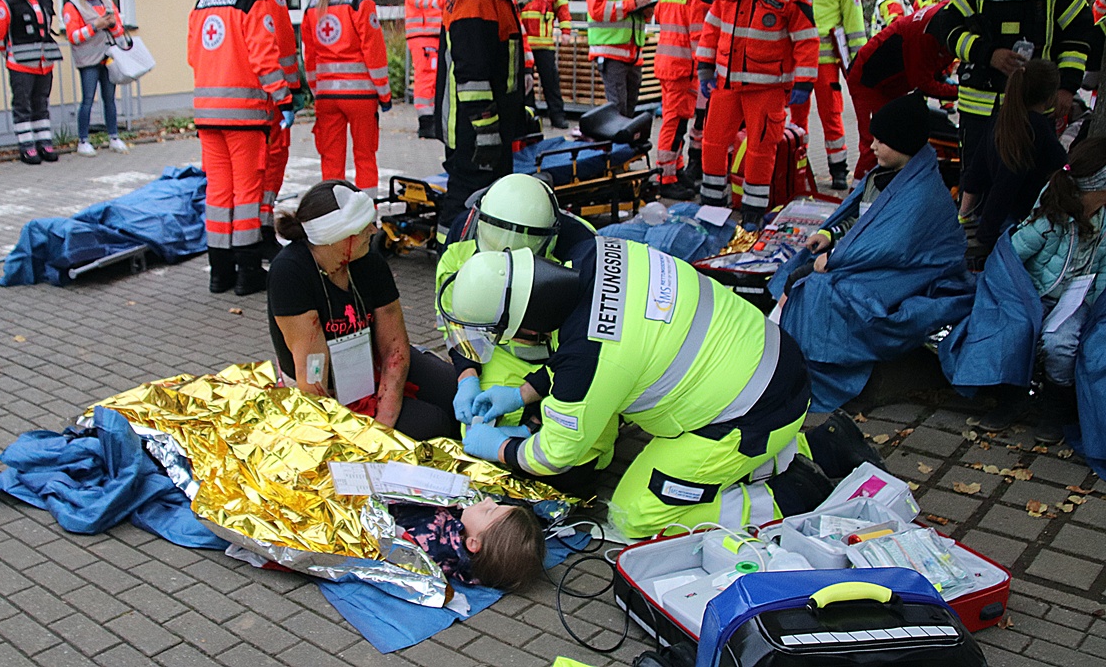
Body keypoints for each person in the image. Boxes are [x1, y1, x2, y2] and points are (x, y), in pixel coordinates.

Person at [439, 238, 880, 538]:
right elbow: (580, 349)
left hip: (746, 414)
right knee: (719, 451)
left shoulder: (589, 358)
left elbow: (555, 455)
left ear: (524, 321)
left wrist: (498, 446)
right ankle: (821, 446)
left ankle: (786, 497)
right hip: (770, 361)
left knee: (632, 514)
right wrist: (522, 394)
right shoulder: (591, 254)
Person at [770, 93, 974, 411]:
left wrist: (834, 260)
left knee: (823, 290)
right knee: (806, 275)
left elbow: (889, 247)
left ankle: (813, 375)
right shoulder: (880, 177)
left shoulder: (921, 194)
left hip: (911, 276)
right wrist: (829, 233)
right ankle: (786, 361)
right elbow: (860, 223)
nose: (872, 147)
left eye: (881, 141)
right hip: (876, 265)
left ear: (904, 144)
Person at [436, 174, 600, 495]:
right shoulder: (463, 232)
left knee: (577, 463)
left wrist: (531, 416)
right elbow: (455, 318)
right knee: (479, 432)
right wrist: (466, 377)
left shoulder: (582, 255)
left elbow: (585, 355)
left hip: (561, 358)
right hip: (501, 352)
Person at [928, 0, 1094, 187]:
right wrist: (988, 54)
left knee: (1026, 185)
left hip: (1033, 106)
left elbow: (1077, 36)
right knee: (974, 185)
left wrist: (1067, 88)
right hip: (979, 107)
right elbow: (948, 29)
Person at [944, 138, 1106, 445]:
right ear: (1094, 187)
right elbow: (1013, 255)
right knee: (1015, 328)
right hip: (1033, 292)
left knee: (1061, 343)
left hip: (1076, 301)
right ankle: (1011, 396)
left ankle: (1055, 408)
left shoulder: (1104, 219)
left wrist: (1095, 310)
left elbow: (1105, 269)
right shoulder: (1053, 211)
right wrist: (1014, 298)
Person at [268, 181, 458, 440]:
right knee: (431, 424)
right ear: (339, 236)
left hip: (370, 361)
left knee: (453, 390)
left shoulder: (368, 261)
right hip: (330, 386)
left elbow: (395, 345)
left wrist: (385, 419)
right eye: (364, 226)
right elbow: (313, 374)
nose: (374, 229)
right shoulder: (290, 272)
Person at [695, 0, 818, 232]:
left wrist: (804, 83)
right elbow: (713, 26)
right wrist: (705, 67)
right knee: (713, 142)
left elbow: (806, 40)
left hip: (767, 87)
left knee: (762, 149)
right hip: (727, 82)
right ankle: (712, 205)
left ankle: (752, 211)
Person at [188, 0, 291, 296]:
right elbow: (265, 60)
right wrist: (285, 99)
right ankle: (248, 273)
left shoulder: (201, 4)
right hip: (246, 118)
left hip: (207, 116)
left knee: (218, 194)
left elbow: (192, 57)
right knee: (247, 193)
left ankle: (219, 274)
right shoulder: (251, 3)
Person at [435, 0, 527, 230]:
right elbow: (472, 76)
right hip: (474, 126)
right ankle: (451, 264)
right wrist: (485, 130)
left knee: (484, 199)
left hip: (485, 123)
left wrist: (518, 112)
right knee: (464, 199)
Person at [302, 0, 391, 196]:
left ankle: (333, 215)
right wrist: (384, 94)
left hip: (327, 98)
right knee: (365, 158)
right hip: (361, 97)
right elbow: (374, 54)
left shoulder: (313, 7)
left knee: (330, 161)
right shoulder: (360, 5)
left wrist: (317, 90)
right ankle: (366, 219)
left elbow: (309, 57)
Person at [244, 0, 306, 260]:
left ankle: (247, 236)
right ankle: (263, 231)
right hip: (269, 93)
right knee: (271, 161)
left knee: (245, 171)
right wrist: (291, 88)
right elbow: (281, 39)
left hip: (237, 93)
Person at [787, 0, 865, 190]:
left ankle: (838, 169)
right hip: (798, 60)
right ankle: (797, 166)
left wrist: (859, 62)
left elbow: (854, 25)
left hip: (826, 61)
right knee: (797, 117)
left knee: (831, 115)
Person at [961, 59, 1067, 246]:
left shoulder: (999, 121)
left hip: (993, 220)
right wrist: (986, 235)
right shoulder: (1037, 129)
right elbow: (1006, 186)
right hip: (1020, 226)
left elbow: (976, 173)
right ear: (1050, 96)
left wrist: (963, 216)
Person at [846, 3, 957, 180]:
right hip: (867, 82)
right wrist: (957, 91)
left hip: (890, 83)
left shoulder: (943, 15)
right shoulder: (924, 37)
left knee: (895, 138)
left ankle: (888, 187)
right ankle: (859, 197)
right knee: (876, 142)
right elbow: (923, 82)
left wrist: (943, 77)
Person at [653, 0, 723, 200]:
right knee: (675, 121)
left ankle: (675, 169)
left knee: (675, 119)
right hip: (685, 67)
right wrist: (708, 67)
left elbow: (660, 17)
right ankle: (666, 177)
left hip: (666, 62)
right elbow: (700, 34)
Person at [389, 498, 544, 591]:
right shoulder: (457, 550)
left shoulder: (429, 535)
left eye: (488, 511)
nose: (488, 500)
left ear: (473, 543)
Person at [0, 0, 63, 165]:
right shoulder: (7, 3)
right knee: (22, 104)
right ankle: (27, 146)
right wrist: (9, 54)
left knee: (41, 103)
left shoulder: (46, 1)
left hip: (44, 63)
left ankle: (44, 143)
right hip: (21, 64)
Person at [62, 0, 128, 158]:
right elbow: (73, 36)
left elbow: (119, 30)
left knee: (110, 98)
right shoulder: (72, 5)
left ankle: (113, 137)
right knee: (88, 100)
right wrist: (95, 26)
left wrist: (113, 24)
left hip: (108, 56)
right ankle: (83, 140)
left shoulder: (107, 1)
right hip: (88, 58)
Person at [585, 0, 654, 119]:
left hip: (634, 54)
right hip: (611, 52)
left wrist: (648, 10)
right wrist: (633, 4)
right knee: (618, 109)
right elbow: (598, 9)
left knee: (629, 109)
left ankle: (625, 145)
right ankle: (617, 146)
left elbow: (641, 7)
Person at [510, 0, 571, 130]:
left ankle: (557, 116)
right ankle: (529, 117)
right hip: (523, 44)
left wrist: (566, 32)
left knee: (551, 83)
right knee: (525, 84)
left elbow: (563, 9)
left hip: (544, 44)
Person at [405, 0, 447, 139]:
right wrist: (436, 2)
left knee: (434, 78)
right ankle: (425, 123)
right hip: (422, 34)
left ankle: (432, 120)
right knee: (425, 77)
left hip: (435, 34)